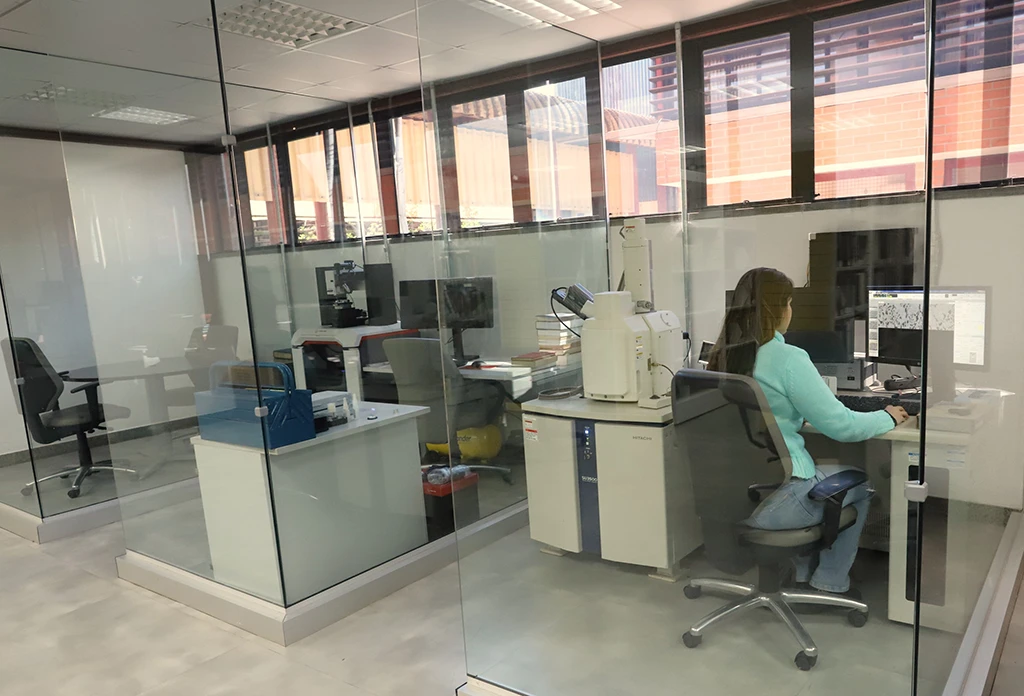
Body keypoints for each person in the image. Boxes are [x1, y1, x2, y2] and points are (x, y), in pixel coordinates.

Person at [708, 267, 909, 596]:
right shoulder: (787, 358)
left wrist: (790, 416)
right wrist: (888, 415)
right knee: (862, 481)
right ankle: (829, 582)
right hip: (780, 504)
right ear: (779, 308)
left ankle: (798, 573)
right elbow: (842, 425)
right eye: (789, 303)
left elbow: (751, 418)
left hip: (735, 499)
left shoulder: (721, 356)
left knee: (824, 472)